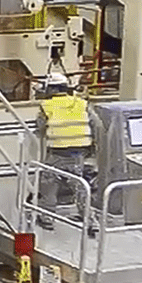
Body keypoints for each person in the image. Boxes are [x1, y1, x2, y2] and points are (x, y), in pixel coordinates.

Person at [36, 72, 94, 222]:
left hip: (58, 151)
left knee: (49, 183)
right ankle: (90, 219)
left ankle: (46, 218)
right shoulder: (81, 103)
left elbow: (40, 126)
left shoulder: (47, 105)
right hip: (79, 152)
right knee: (79, 185)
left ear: (52, 89)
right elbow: (95, 124)